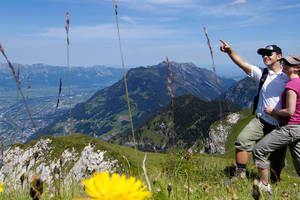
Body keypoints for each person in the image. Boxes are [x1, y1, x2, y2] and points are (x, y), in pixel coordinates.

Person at [219, 40, 289, 181]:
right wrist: (229, 51)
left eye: (269, 53)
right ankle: (240, 175)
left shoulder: (288, 76)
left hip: (282, 123)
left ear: (279, 57)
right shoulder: (262, 73)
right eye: (263, 54)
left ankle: (275, 182)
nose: (265, 56)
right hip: (262, 120)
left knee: (277, 157)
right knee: (242, 141)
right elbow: (242, 64)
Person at [253, 54, 300, 193]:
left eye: (289, 64)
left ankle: (264, 185)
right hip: (298, 127)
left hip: (290, 127)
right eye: (285, 62)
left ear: (297, 68)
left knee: (258, 150)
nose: (285, 64)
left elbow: (290, 111)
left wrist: (274, 111)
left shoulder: (291, 85)